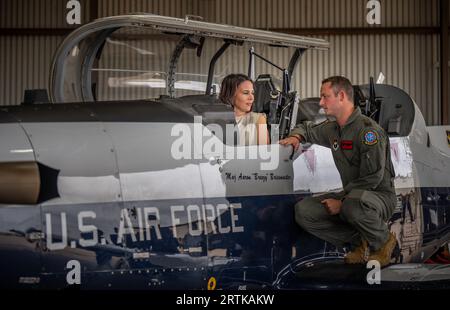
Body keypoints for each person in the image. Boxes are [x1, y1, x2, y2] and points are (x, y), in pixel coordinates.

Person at [279, 76, 397, 267]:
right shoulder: (333, 129)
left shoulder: (368, 133)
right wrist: (296, 136)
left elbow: (372, 178)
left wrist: (341, 202)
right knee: (304, 211)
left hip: (379, 197)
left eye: (325, 97)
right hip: (352, 196)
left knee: (352, 206)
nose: (321, 102)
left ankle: (383, 241)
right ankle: (360, 242)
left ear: (341, 96)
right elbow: (307, 129)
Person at [219, 74, 269, 145]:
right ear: (230, 95)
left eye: (252, 93)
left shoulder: (258, 119)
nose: (251, 98)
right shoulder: (216, 119)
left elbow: (264, 153)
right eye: (245, 93)